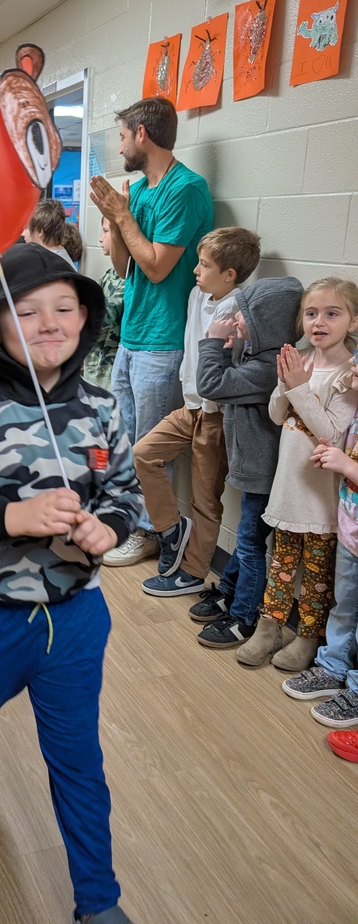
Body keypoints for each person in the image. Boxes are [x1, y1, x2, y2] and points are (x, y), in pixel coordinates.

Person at [0, 245, 143, 924]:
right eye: (28, 311)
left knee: (78, 762)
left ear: (84, 318)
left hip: (75, 615)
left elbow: (125, 495)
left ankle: (97, 904)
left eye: (64, 308)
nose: (48, 323)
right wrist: (10, 516)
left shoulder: (100, 410)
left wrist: (111, 526)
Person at [89, 97, 213, 568]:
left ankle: (151, 533)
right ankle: (127, 520)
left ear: (142, 134)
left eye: (122, 136)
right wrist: (117, 220)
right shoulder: (138, 191)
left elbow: (159, 268)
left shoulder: (187, 189)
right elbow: (125, 268)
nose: (120, 147)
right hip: (133, 336)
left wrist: (123, 217)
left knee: (149, 448)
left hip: (164, 341)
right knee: (123, 439)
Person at [236, 278, 358, 671]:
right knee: (282, 564)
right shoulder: (300, 360)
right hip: (289, 486)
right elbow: (276, 416)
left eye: (332, 313)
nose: (318, 321)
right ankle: (269, 628)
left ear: (353, 323)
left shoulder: (349, 375)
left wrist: (301, 388)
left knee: (318, 575)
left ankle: (308, 637)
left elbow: (333, 434)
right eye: (311, 313)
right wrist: (287, 385)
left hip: (321, 497)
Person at [134, 228, 260, 597]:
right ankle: (171, 531)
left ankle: (192, 573)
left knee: (206, 498)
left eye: (203, 265)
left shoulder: (237, 308)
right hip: (189, 407)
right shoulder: (196, 294)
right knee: (143, 454)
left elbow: (224, 367)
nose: (195, 271)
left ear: (229, 275)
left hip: (216, 416)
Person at [192, 275, 304, 647]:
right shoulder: (256, 355)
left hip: (264, 475)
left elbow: (211, 384)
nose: (236, 320)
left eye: (244, 316)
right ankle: (229, 594)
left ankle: (244, 618)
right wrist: (230, 346)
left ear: (265, 324)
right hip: (254, 469)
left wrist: (211, 342)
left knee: (252, 544)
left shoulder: (267, 365)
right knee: (246, 539)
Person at [281, 354, 358, 728]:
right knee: (344, 607)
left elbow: (345, 458)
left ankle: (356, 690)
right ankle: (332, 667)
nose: (354, 367)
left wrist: (346, 464)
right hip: (350, 532)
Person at [83, 216, 125, 392]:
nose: (100, 238)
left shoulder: (127, 279)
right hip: (93, 363)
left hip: (109, 367)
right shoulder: (110, 274)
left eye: (106, 231)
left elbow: (105, 315)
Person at [23, 197, 74, 265]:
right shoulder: (62, 258)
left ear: (40, 231)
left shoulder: (46, 266)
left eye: (26, 228)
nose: (23, 234)